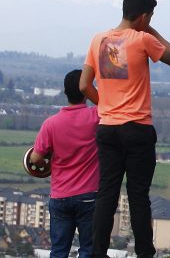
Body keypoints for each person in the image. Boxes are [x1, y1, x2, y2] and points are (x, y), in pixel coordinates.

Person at [80, 0, 170, 258]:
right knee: (137, 195)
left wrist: (105, 106)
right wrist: (151, 30)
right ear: (144, 16)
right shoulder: (142, 39)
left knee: (106, 194)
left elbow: (83, 85)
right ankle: (145, 254)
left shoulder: (98, 40)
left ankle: (97, 253)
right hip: (137, 129)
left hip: (108, 128)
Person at [31, 69, 100, 258]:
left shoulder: (51, 124)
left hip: (60, 196)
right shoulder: (96, 116)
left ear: (65, 92)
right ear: (87, 91)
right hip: (89, 196)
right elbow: (110, 106)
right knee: (88, 250)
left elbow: (35, 159)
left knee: (59, 251)